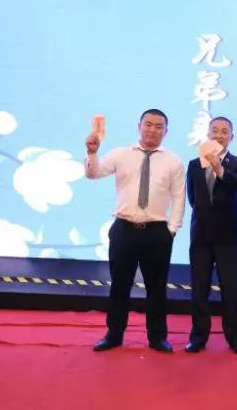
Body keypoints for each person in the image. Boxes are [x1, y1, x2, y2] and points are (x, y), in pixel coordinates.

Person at [85, 108, 186, 353]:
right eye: (148, 124)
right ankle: (114, 335)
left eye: (159, 126)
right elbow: (93, 173)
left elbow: (178, 197)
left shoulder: (173, 161)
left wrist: (172, 229)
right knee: (119, 285)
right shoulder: (121, 154)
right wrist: (92, 153)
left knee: (157, 288)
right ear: (138, 126)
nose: (153, 130)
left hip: (157, 232)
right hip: (124, 229)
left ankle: (157, 337)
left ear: (166, 131)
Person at [184, 116, 237, 355]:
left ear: (232, 137)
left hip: (228, 235)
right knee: (199, 288)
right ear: (208, 134)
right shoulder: (194, 164)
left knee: (231, 288)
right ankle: (198, 337)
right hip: (201, 235)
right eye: (215, 130)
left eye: (224, 131)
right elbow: (193, 198)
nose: (219, 135)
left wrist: (218, 167)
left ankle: (235, 338)